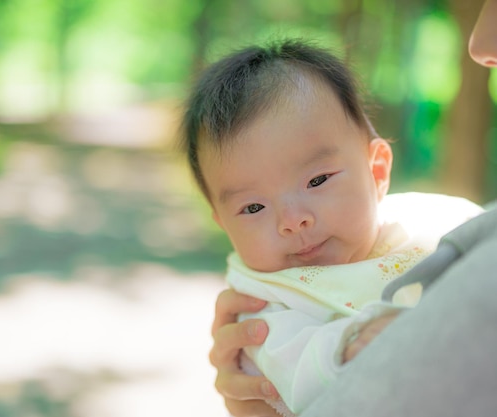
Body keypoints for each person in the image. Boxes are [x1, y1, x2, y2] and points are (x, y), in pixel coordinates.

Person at [209, 1, 497, 416]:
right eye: (253, 207)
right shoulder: (268, 300)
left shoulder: (436, 225)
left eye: (318, 181)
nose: (293, 221)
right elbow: (289, 364)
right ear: (223, 225)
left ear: (377, 171)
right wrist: (348, 348)